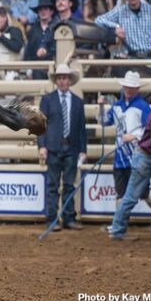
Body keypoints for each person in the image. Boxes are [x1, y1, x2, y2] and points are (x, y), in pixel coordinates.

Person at [38, 64, 86, 231]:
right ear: (56, 81)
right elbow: (40, 124)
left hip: (72, 148)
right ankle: (51, 218)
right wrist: (42, 146)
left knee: (69, 185)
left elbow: (81, 128)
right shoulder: (47, 100)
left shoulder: (78, 102)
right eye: (59, 78)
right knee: (52, 185)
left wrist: (83, 149)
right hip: (53, 148)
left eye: (65, 78)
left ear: (69, 80)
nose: (62, 81)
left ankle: (68, 218)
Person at [98, 71, 151, 210]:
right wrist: (101, 107)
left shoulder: (142, 106)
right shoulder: (117, 106)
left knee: (144, 193)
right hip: (121, 158)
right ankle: (119, 221)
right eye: (126, 86)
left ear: (137, 89)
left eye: (131, 87)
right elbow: (104, 121)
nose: (128, 89)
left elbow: (150, 128)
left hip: (137, 156)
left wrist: (134, 136)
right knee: (121, 194)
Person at [109, 110, 151, 240]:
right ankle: (117, 230)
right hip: (147, 156)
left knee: (130, 196)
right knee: (131, 196)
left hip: (146, 155)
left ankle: (117, 229)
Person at [23, 0, 56, 79]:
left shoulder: (57, 28)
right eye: (40, 10)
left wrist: (46, 53)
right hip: (35, 68)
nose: (43, 12)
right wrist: (28, 70)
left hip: (54, 66)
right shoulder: (33, 30)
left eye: (46, 9)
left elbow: (58, 48)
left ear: (51, 11)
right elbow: (28, 51)